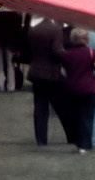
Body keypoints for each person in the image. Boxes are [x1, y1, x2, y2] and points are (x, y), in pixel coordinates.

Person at [25, 16, 74, 146]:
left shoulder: (33, 30)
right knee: (62, 107)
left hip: (35, 72)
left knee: (40, 109)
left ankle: (41, 139)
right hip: (52, 73)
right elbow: (57, 51)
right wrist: (70, 56)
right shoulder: (55, 29)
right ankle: (72, 137)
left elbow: (29, 50)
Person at [60, 29, 95, 153]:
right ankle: (85, 145)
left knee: (75, 117)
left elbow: (62, 72)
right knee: (87, 117)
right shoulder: (91, 52)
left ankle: (78, 142)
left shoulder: (66, 54)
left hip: (71, 90)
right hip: (89, 89)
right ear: (86, 39)